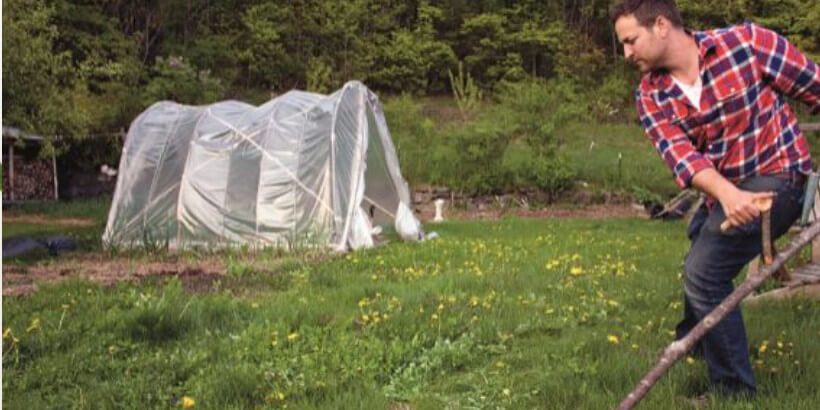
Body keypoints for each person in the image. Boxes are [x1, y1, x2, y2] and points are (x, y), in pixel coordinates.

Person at [610, 0, 819, 398]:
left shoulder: (748, 43)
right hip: (726, 192)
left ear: (660, 25)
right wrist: (728, 195)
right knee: (699, 237)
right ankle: (696, 340)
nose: (626, 53)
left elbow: (815, 85)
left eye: (631, 40)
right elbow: (682, 158)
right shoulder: (651, 95)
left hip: (781, 179)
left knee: (704, 272)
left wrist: (736, 197)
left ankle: (732, 390)